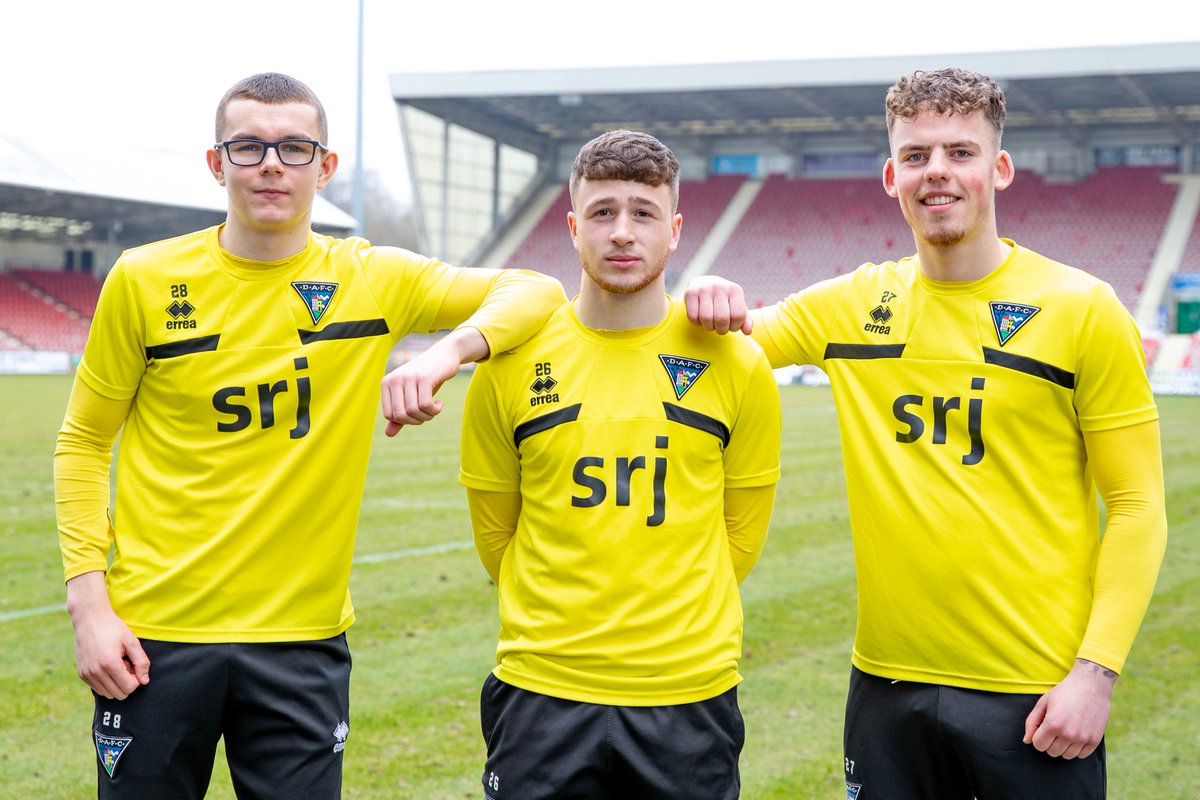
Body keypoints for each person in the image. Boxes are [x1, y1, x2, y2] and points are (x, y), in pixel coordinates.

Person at [53, 72, 565, 799]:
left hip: (301, 643)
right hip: (153, 638)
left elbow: (537, 290)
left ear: (324, 169)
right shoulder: (143, 279)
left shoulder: (370, 278)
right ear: (216, 163)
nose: (270, 164)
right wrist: (89, 605)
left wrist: (447, 353)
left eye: (294, 148)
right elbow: (82, 443)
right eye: (249, 146)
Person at [685, 67, 1168, 799]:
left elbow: (1136, 505)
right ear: (891, 175)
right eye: (916, 156)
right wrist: (707, 299)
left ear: (998, 168)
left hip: (1035, 694)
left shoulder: (1081, 309)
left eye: (959, 152)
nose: (936, 173)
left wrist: (1095, 674)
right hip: (885, 689)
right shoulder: (849, 306)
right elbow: (712, 343)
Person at [458, 129, 781, 800]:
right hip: (542, 688)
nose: (623, 232)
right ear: (575, 227)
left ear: (675, 230)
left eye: (643, 212)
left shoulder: (736, 362)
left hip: (687, 693)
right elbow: (497, 537)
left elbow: (742, 535)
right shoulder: (509, 366)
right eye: (603, 213)